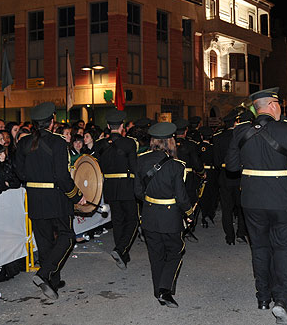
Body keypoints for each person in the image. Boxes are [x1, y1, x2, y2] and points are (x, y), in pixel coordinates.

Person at [225, 87, 287, 324]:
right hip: (282, 200)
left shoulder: (240, 131)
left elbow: (231, 167)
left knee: (259, 248)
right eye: (278, 105)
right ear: (271, 106)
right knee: (284, 248)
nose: (280, 109)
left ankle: (262, 297)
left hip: (251, 200)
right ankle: (282, 300)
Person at [14, 102, 86, 300]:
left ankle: (52, 283)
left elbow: (19, 172)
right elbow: (62, 176)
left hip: (35, 199)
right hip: (56, 198)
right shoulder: (58, 142)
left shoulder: (23, 143)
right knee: (67, 236)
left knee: (44, 242)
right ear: (52, 121)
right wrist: (77, 195)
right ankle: (45, 273)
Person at [134, 122, 193, 308]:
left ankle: (157, 290)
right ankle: (164, 290)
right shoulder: (176, 166)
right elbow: (181, 196)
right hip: (170, 217)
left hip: (149, 215)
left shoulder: (141, 160)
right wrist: (189, 212)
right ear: (170, 141)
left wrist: (151, 201)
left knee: (156, 254)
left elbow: (137, 191)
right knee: (175, 252)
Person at [93, 109, 140, 270]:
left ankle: (123, 254)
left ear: (107, 126)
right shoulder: (129, 143)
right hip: (126, 186)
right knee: (132, 220)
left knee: (118, 220)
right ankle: (120, 249)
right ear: (122, 126)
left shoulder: (99, 145)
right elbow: (134, 167)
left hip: (110, 187)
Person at [213, 110, 248, 245]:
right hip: (239, 176)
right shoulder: (241, 135)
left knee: (226, 208)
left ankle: (229, 236)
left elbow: (216, 162)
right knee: (241, 207)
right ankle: (240, 233)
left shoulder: (217, 138)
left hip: (224, 176)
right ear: (236, 122)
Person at [197, 125, 218, 228]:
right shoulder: (214, 147)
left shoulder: (198, 147)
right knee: (212, 193)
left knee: (202, 194)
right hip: (212, 172)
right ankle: (211, 213)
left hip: (201, 173)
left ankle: (204, 213)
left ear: (201, 136)